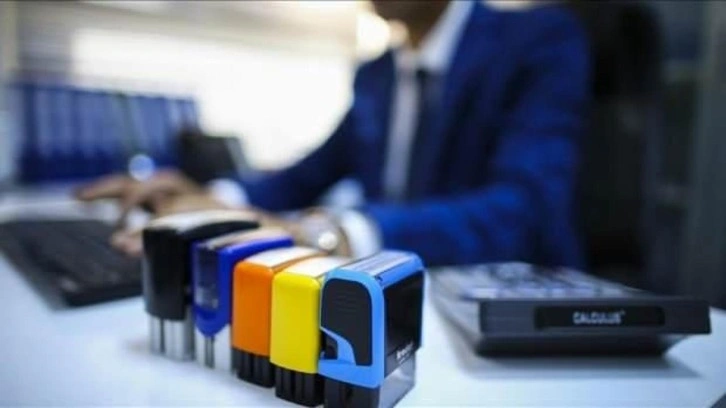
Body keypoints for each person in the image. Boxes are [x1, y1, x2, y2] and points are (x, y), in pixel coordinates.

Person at [77, 0, 590, 267]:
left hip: (507, 325)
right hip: (390, 296)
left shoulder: (540, 40)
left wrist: (330, 233)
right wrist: (212, 198)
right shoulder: (377, 74)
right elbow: (306, 176)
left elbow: (525, 208)